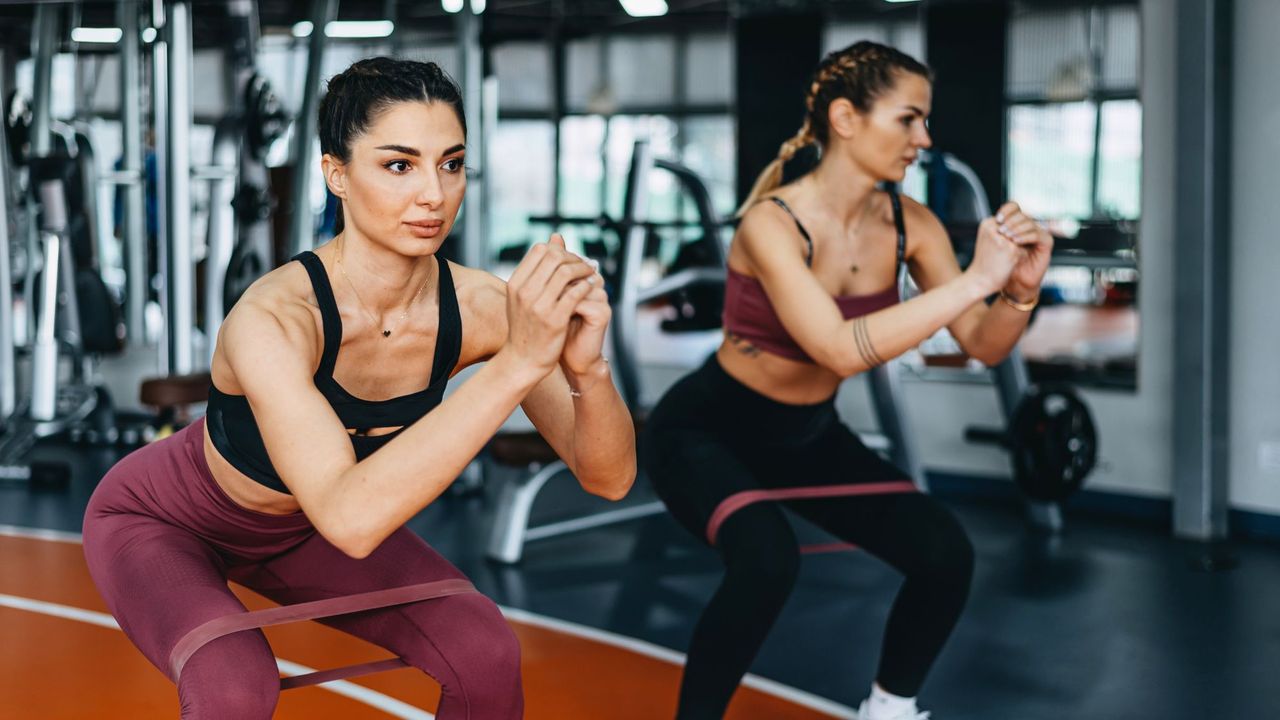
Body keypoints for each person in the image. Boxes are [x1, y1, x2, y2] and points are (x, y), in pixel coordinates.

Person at [83, 57, 636, 720]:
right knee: (235, 686)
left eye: (451, 163)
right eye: (399, 165)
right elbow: (350, 520)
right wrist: (516, 365)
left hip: (303, 527)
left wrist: (587, 369)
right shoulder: (276, 318)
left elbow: (608, 478)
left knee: (483, 650)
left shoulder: (483, 307)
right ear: (336, 174)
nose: (433, 194)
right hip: (165, 522)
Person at [642, 41, 1052, 720]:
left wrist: (1019, 295)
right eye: (908, 119)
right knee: (767, 562)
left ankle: (888, 710)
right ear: (845, 118)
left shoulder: (908, 226)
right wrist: (979, 279)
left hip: (807, 436)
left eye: (925, 122)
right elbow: (837, 349)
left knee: (943, 554)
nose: (924, 138)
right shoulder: (772, 222)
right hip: (707, 429)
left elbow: (982, 343)